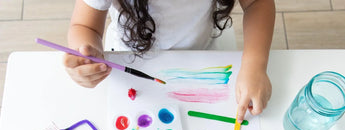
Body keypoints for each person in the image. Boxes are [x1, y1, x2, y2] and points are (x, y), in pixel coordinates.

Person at [64, 0, 275, 123]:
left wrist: (255, 65)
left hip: (205, 53)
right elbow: (85, 26)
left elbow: (257, 3)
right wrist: (84, 54)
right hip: (128, 58)